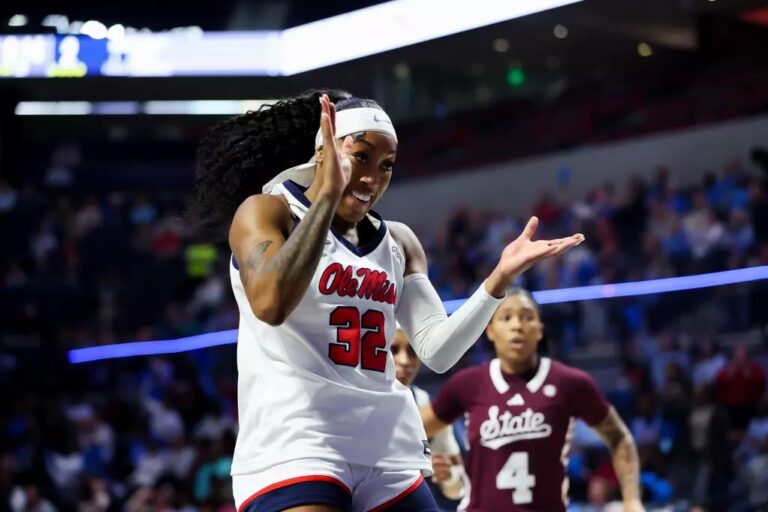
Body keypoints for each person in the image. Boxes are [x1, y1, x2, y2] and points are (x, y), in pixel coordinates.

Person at [191, 90, 584, 512]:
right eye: (360, 157)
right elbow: (270, 304)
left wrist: (498, 279)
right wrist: (325, 197)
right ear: (323, 152)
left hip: (384, 446)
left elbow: (437, 349)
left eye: (386, 166)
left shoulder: (398, 241)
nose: (372, 178)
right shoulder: (267, 211)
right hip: (296, 441)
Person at [421, 289, 643, 512]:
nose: (517, 326)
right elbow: (413, 429)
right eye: (506, 317)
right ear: (490, 331)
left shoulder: (569, 382)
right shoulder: (467, 384)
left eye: (527, 317)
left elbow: (619, 437)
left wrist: (631, 500)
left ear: (539, 330)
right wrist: (436, 459)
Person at [391, 328, 465, 501]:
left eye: (412, 352)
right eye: (393, 350)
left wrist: (447, 476)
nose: (404, 361)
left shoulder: (430, 406)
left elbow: (458, 488)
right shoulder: (354, 402)